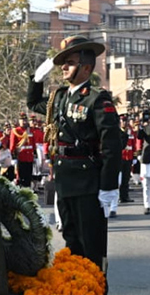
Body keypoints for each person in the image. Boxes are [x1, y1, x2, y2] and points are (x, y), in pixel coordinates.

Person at [27, 35, 121, 279]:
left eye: (69, 62)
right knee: (71, 241)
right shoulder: (59, 97)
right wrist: (36, 79)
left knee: (91, 245)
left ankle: (97, 294)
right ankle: (76, 292)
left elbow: (111, 146)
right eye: (63, 63)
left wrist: (109, 186)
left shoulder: (97, 99)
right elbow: (34, 103)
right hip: (65, 180)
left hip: (88, 183)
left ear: (86, 67)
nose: (64, 67)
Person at [10, 113, 38, 188]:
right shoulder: (16, 131)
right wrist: (13, 156)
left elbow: (33, 144)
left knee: (28, 178)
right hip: (21, 157)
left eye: (25, 120)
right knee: (21, 179)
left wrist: (35, 155)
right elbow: (12, 145)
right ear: (19, 121)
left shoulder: (30, 130)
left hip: (29, 158)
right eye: (22, 120)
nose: (24, 122)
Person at [118, 115, 135, 205]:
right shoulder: (117, 132)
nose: (124, 123)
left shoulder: (130, 131)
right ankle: (118, 196)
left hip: (129, 157)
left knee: (126, 178)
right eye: (122, 121)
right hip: (121, 157)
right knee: (119, 180)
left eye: (125, 121)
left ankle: (125, 196)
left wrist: (135, 155)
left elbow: (133, 143)